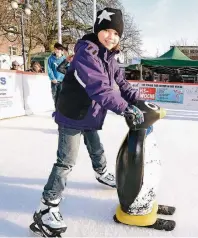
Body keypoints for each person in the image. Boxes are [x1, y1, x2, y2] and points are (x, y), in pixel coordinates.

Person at [30, 7, 144, 237]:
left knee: (95, 145)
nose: (111, 36)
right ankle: (46, 208)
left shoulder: (110, 57)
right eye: (107, 30)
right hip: (72, 114)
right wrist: (124, 109)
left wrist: (140, 102)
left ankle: (101, 171)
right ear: (98, 30)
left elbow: (122, 84)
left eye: (116, 33)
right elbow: (98, 87)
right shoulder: (87, 52)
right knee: (66, 162)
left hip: (91, 114)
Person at [48, 42, 66, 108]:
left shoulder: (65, 59)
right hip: (54, 81)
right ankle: (56, 109)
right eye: (55, 49)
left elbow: (68, 69)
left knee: (62, 96)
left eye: (58, 49)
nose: (56, 51)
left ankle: (62, 110)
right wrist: (52, 78)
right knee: (55, 95)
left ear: (61, 51)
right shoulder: (51, 58)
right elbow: (49, 69)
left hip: (62, 81)